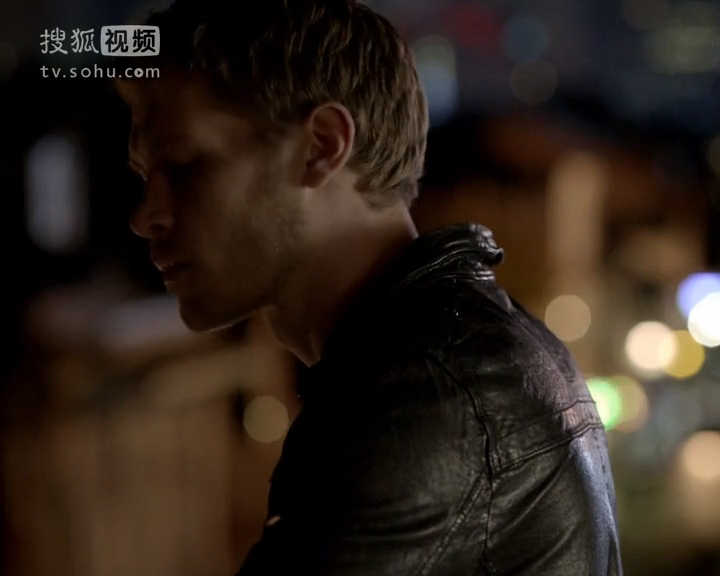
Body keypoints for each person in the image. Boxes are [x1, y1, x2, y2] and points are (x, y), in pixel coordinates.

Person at [115, 0, 622, 573]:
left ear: (321, 146)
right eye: (145, 176)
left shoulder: (427, 393)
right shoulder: (447, 357)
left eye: (185, 165)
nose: (146, 216)